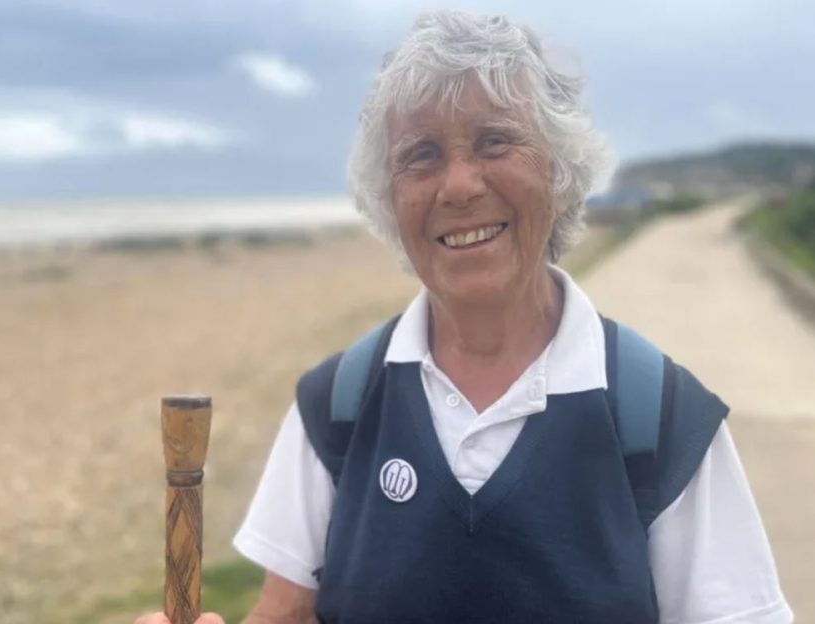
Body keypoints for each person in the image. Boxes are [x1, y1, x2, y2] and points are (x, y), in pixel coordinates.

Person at [137, 10, 792, 624]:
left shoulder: (664, 420)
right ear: (389, 200)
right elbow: (286, 613)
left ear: (560, 173)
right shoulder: (338, 405)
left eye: (495, 141)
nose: (458, 186)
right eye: (421, 155)